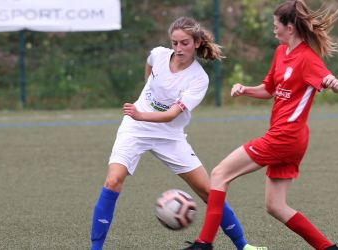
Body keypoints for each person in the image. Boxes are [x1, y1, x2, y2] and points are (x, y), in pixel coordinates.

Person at [184, 1, 338, 250]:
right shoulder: (281, 53)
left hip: (285, 137)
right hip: (289, 138)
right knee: (276, 207)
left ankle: (203, 244)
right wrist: (245, 89)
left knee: (219, 174)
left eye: (275, 25)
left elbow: (331, 81)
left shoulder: (307, 58)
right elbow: (269, 89)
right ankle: (328, 249)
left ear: (289, 27)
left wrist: (333, 82)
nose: (274, 30)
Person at [90, 17, 259, 250]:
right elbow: (149, 63)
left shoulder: (199, 79)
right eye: (175, 43)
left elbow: (170, 115)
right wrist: (147, 89)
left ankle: (243, 246)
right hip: (135, 129)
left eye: (184, 43)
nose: (178, 49)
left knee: (209, 191)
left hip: (170, 135)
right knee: (113, 180)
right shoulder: (159, 54)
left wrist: (141, 114)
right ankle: (95, 248)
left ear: (197, 42)